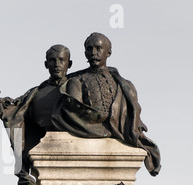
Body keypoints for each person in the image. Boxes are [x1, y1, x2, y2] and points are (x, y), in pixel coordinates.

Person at [51, 32, 161, 176]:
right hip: (85, 135)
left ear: (108, 52)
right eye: (89, 49)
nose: (93, 53)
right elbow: (73, 112)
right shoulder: (75, 82)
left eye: (98, 48)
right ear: (85, 53)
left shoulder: (125, 86)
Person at [0, 44, 72, 185]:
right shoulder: (37, 92)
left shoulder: (75, 88)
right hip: (44, 145)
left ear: (69, 64)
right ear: (46, 64)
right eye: (52, 60)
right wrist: (2, 105)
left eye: (61, 60)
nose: (57, 65)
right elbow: (17, 107)